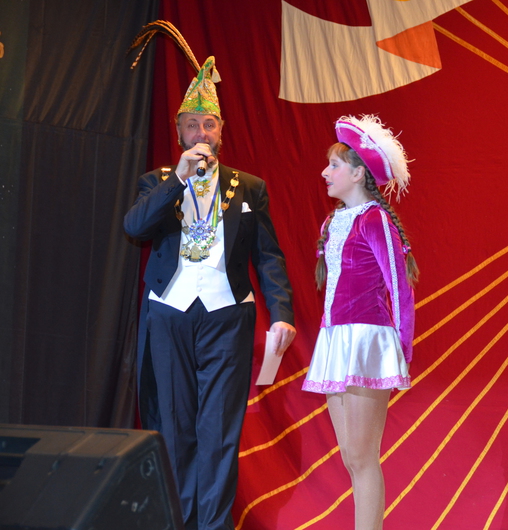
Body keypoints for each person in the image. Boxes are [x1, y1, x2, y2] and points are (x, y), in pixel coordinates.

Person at [124, 37, 295, 530]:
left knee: (219, 431)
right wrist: (176, 181)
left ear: (221, 130)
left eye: (209, 124)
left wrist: (281, 313)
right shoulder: (156, 181)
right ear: (179, 131)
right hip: (169, 314)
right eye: (192, 124)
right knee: (174, 427)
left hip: (227, 316)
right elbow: (135, 228)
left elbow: (268, 256)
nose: (201, 132)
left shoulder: (250, 187)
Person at [302, 115, 418, 529]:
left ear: (357, 173)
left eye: (334, 165)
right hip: (336, 340)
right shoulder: (332, 222)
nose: (325, 172)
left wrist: (401, 348)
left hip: (368, 340)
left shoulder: (374, 220)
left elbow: (399, 287)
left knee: (364, 456)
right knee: (351, 456)